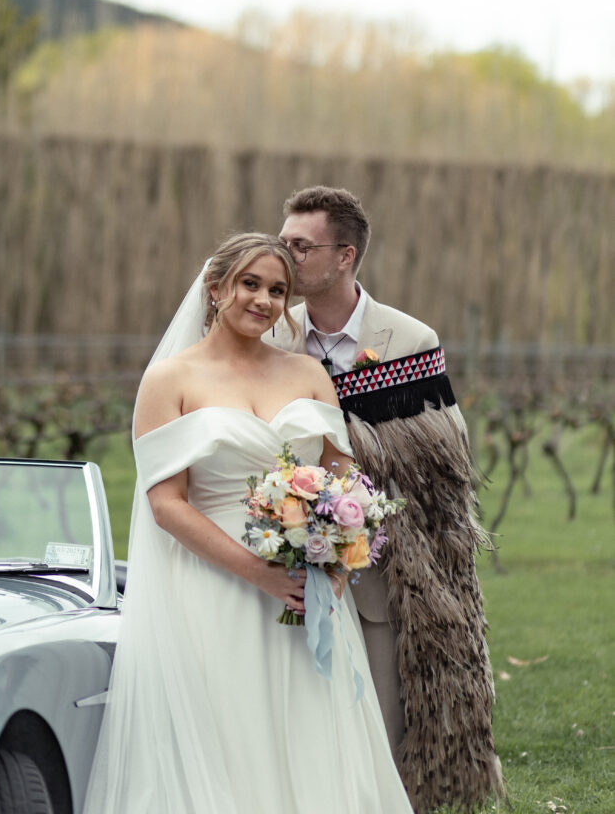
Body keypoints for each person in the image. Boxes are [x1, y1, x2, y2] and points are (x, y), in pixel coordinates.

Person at [83, 232, 414, 814]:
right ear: (216, 289)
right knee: (230, 730)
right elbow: (166, 504)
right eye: (250, 284)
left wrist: (335, 553)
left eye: (277, 290)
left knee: (312, 729)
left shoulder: (308, 373)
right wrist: (258, 573)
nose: (263, 300)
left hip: (309, 586)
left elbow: (342, 477)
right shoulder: (170, 381)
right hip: (217, 586)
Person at [264, 187, 504, 814]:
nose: (284, 256)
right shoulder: (269, 335)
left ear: (345, 256)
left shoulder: (407, 339)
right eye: (283, 242)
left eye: (301, 246)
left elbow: (440, 469)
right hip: (275, 569)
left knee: (383, 738)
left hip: (382, 579)